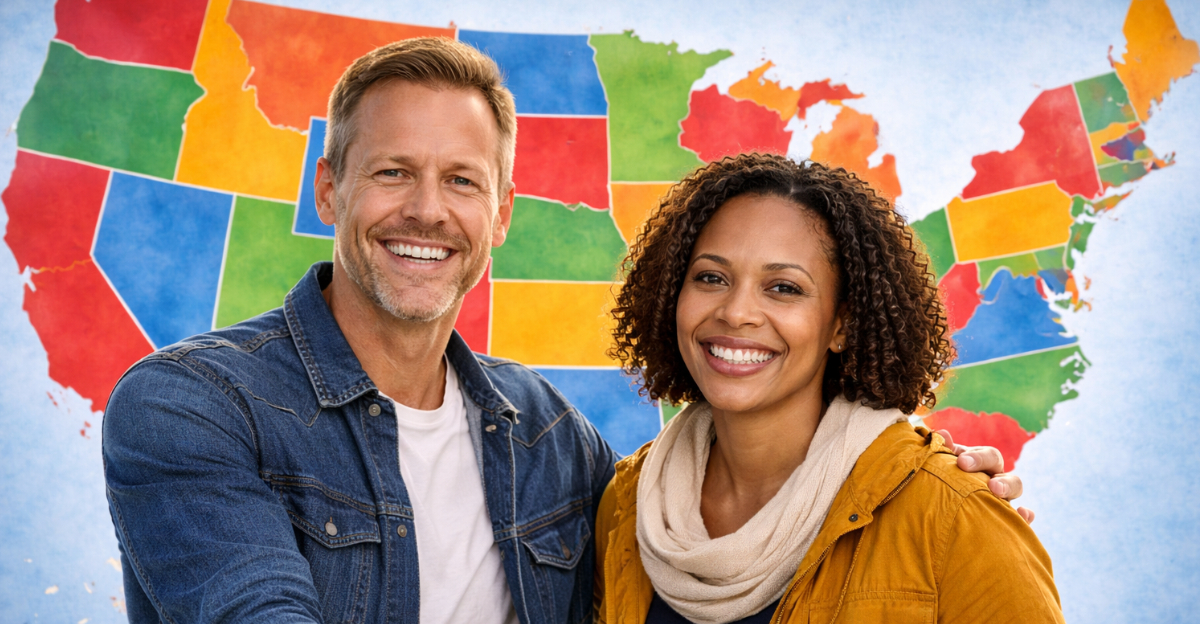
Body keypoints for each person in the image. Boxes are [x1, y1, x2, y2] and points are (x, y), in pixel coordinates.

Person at [103, 38, 1026, 624]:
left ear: (502, 214)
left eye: (463, 181)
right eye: (392, 173)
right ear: (330, 189)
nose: (427, 211)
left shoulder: (548, 439)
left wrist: (931, 483)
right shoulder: (192, 408)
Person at [595, 154, 1063, 623]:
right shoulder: (628, 505)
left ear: (843, 323)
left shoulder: (951, 517)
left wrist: (968, 515)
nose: (736, 312)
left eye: (784, 288)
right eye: (711, 278)